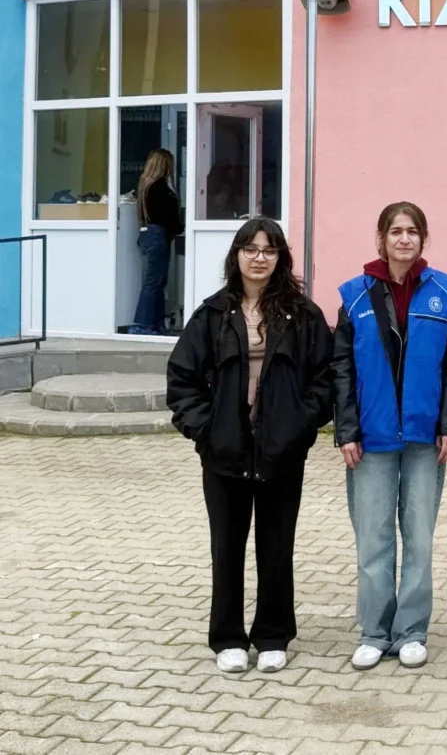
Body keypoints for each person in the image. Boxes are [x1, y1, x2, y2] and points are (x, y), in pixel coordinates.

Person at [166, 218, 333, 674]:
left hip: (282, 452)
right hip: (226, 452)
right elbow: (182, 381)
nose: (260, 258)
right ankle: (228, 638)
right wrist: (207, 429)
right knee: (227, 548)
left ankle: (273, 635)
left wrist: (300, 425)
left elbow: (326, 378)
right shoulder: (211, 315)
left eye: (269, 250)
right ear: (236, 255)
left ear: (281, 258)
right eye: (251, 249)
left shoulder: (303, 315)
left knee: (277, 546)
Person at [331, 201, 447, 672]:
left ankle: (411, 632)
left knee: (419, 538)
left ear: (423, 239)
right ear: (381, 239)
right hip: (372, 439)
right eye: (395, 231)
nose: (404, 239)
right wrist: (346, 430)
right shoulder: (354, 295)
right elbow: (341, 369)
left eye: (412, 231)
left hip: (426, 439)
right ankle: (374, 632)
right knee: (373, 538)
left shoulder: (443, 291)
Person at [129, 147, 183, 335]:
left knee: (157, 281)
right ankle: (142, 324)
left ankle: (154, 323)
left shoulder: (146, 187)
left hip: (150, 235)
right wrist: (179, 227)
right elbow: (167, 216)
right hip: (157, 235)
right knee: (154, 281)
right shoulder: (159, 189)